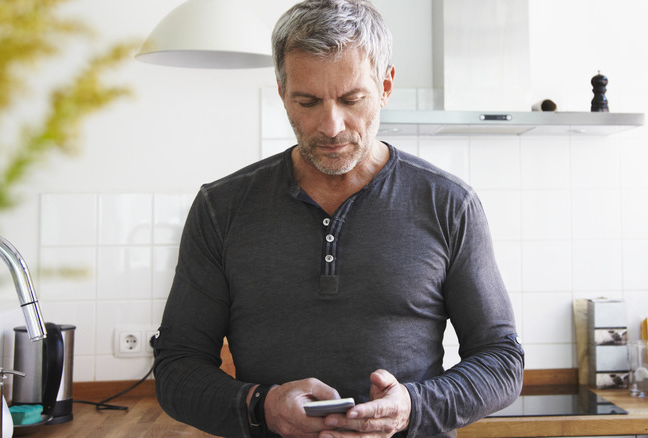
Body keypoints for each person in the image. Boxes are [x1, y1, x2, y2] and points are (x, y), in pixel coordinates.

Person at [153, 1, 524, 437]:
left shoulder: (449, 203)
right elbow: (177, 367)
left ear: (385, 85)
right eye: (307, 101)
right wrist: (262, 407)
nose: (331, 126)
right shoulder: (222, 207)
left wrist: (413, 407)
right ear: (281, 91)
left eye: (352, 99)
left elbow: (501, 360)